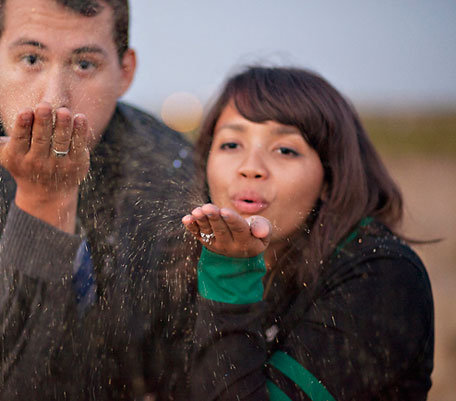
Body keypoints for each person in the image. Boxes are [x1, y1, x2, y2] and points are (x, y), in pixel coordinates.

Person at [0, 0, 197, 399]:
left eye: (84, 65)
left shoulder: (167, 161)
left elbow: (176, 357)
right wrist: (44, 202)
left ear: (125, 72)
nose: (54, 100)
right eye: (31, 58)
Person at [182, 66, 434, 400]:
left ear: (330, 180)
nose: (251, 167)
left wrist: (230, 272)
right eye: (231, 144)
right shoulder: (187, 257)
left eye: (285, 150)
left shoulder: (382, 275)